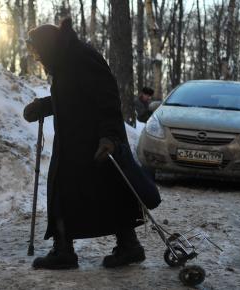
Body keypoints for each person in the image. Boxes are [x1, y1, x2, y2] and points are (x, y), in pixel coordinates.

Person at [23, 17, 160, 270]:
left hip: (94, 141)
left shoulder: (80, 57)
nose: (37, 58)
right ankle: (126, 246)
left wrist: (109, 137)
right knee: (103, 191)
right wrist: (44, 106)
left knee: (81, 191)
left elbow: (107, 96)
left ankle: (66, 251)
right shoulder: (65, 59)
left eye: (37, 51)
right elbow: (72, 98)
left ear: (48, 45)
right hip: (76, 141)